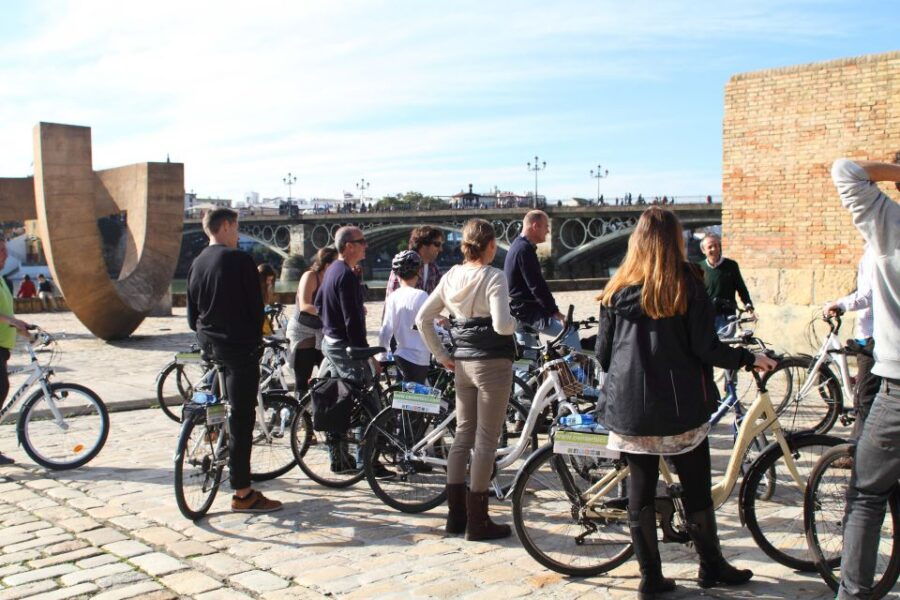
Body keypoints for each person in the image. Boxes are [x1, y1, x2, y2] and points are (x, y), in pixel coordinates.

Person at [596, 207, 775, 596]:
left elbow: (603, 356)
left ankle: (650, 578)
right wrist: (747, 358)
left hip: (631, 408)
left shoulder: (615, 289)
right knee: (695, 487)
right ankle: (710, 566)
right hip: (680, 406)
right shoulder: (687, 282)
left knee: (639, 493)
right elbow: (705, 347)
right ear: (675, 240)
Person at [416, 218, 517, 542]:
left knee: (462, 436)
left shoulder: (451, 276)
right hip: (492, 364)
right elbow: (502, 326)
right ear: (489, 245)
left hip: (462, 363)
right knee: (487, 441)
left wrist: (441, 354)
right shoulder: (494, 276)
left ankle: (456, 517)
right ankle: (479, 522)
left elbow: (423, 318)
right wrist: (518, 321)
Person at [831, 157, 900, 600]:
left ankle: (853, 594)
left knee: (867, 495)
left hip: (897, 384)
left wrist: (895, 171)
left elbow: (845, 169)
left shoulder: (890, 223)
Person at [187, 208, 282, 513]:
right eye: (237, 226)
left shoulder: (197, 262)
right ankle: (243, 493)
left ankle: (210, 428)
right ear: (226, 226)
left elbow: (192, 315)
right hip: (238, 348)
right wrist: (257, 339)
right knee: (242, 417)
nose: (239, 233)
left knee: (220, 399)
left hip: (209, 346)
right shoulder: (239, 260)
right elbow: (256, 311)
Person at [314, 226, 391, 478]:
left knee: (339, 399)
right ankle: (366, 461)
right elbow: (353, 322)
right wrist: (367, 355)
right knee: (370, 403)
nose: (366, 245)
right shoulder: (345, 275)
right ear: (348, 246)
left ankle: (339, 459)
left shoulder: (334, 270)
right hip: (347, 348)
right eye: (362, 241)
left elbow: (318, 304)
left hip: (331, 343)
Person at [823, 244, 879, 443]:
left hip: (873, 336)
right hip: (870, 333)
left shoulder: (878, 250)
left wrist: (841, 304)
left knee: (864, 398)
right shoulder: (873, 248)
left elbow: (869, 294)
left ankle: (855, 453)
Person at [504, 210, 581, 354]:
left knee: (528, 361)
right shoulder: (524, 249)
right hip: (529, 313)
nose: (548, 231)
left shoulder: (517, 245)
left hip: (517, 312)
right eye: (546, 226)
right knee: (569, 332)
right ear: (535, 226)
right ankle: (577, 374)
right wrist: (555, 313)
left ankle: (526, 376)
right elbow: (536, 286)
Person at [286, 247, 337, 398]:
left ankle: (321, 412)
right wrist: (330, 311)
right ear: (327, 265)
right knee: (302, 378)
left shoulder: (332, 280)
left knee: (328, 378)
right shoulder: (310, 276)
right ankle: (301, 416)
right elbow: (305, 306)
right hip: (303, 331)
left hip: (321, 331)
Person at [0, 240, 33, 465]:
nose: (4, 255)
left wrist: (20, 329)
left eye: (4, 250)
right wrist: (13, 321)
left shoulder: (2, 279)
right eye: (0, 251)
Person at [378, 251, 431, 384]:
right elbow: (429, 327)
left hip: (401, 356)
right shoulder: (421, 295)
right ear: (418, 272)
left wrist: (383, 356)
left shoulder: (393, 297)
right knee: (418, 401)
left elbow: (385, 330)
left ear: (396, 274)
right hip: (419, 358)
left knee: (405, 396)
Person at [697, 234, 753, 335]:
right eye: (710, 247)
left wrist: (748, 304)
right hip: (706, 316)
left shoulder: (731, 265)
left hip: (726, 316)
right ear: (703, 251)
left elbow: (741, 288)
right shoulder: (698, 267)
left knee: (726, 347)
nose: (714, 249)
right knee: (706, 348)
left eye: (716, 245)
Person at [385, 226, 444, 297]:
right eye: (437, 244)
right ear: (424, 244)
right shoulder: (404, 265)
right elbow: (390, 298)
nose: (441, 249)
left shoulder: (434, 269)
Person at [257, 263, 277, 336]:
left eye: (271, 280)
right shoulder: (254, 289)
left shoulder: (264, 288)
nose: (269, 282)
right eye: (268, 279)